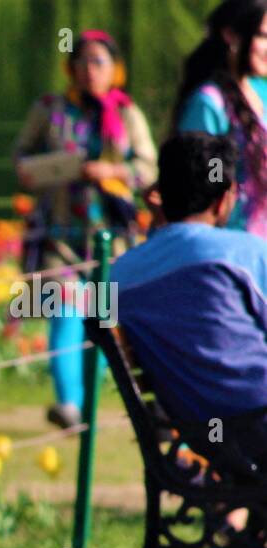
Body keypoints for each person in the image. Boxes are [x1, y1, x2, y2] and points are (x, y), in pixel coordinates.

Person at [13, 29, 157, 430]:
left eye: (99, 62)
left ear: (115, 69)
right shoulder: (50, 110)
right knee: (62, 312)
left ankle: (93, 410)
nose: (90, 70)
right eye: (82, 62)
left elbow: (149, 170)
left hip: (110, 240)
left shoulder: (127, 114)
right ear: (70, 67)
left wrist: (111, 172)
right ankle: (69, 405)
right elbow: (21, 157)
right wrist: (46, 168)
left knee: (102, 325)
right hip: (59, 234)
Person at [112, 132, 267, 471]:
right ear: (223, 199)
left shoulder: (123, 273)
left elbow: (49, 300)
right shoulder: (244, 253)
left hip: (206, 436)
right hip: (258, 423)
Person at [174, 0, 267, 238]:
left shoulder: (261, 92)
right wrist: (222, 181)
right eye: (262, 36)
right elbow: (202, 181)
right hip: (229, 246)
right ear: (230, 35)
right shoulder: (209, 102)